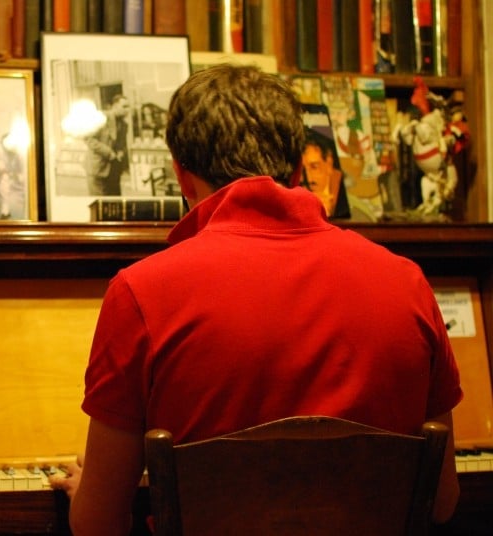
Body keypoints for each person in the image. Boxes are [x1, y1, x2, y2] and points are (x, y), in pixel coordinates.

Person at [49, 64, 462, 535]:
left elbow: (98, 524)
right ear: (298, 167)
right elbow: (442, 501)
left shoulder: (142, 292)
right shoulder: (407, 282)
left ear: (181, 176)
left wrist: (89, 491)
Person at [83, 94, 130, 196]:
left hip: (114, 170)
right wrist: (110, 153)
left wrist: (121, 152)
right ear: (114, 106)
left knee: (114, 203)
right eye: (124, 106)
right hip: (97, 168)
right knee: (99, 203)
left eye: (128, 107)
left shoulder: (124, 125)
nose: (127, 110)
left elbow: (121, 144)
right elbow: (88, 139)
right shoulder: (101, 118)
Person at [301, 131, 344, 217]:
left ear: (328, 163)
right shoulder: (295, 186)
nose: (308, 179)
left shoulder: (343, 188)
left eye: (314, 167)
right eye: (302, 170)